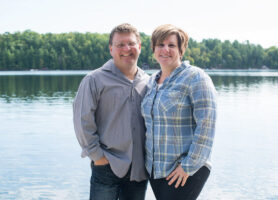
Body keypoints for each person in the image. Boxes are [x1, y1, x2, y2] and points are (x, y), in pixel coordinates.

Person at [73, 23, 149, 200]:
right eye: (120, 44)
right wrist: (98, 157)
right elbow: (82, 121)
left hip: (138, 170)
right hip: (106, 165)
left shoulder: (148, 81)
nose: (126, 49)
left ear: (139, 46)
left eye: (130, 43)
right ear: (111, 49)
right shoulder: (94, 80)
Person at [141, 24, 217, 200]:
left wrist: (188, 166)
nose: (165, 49)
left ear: (181, 50)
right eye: (160, 44)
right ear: (153, 49)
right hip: (156, 169)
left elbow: (206, 125)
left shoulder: (196, 78)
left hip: (185, 170)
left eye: (171, 45)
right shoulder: (152, 81)